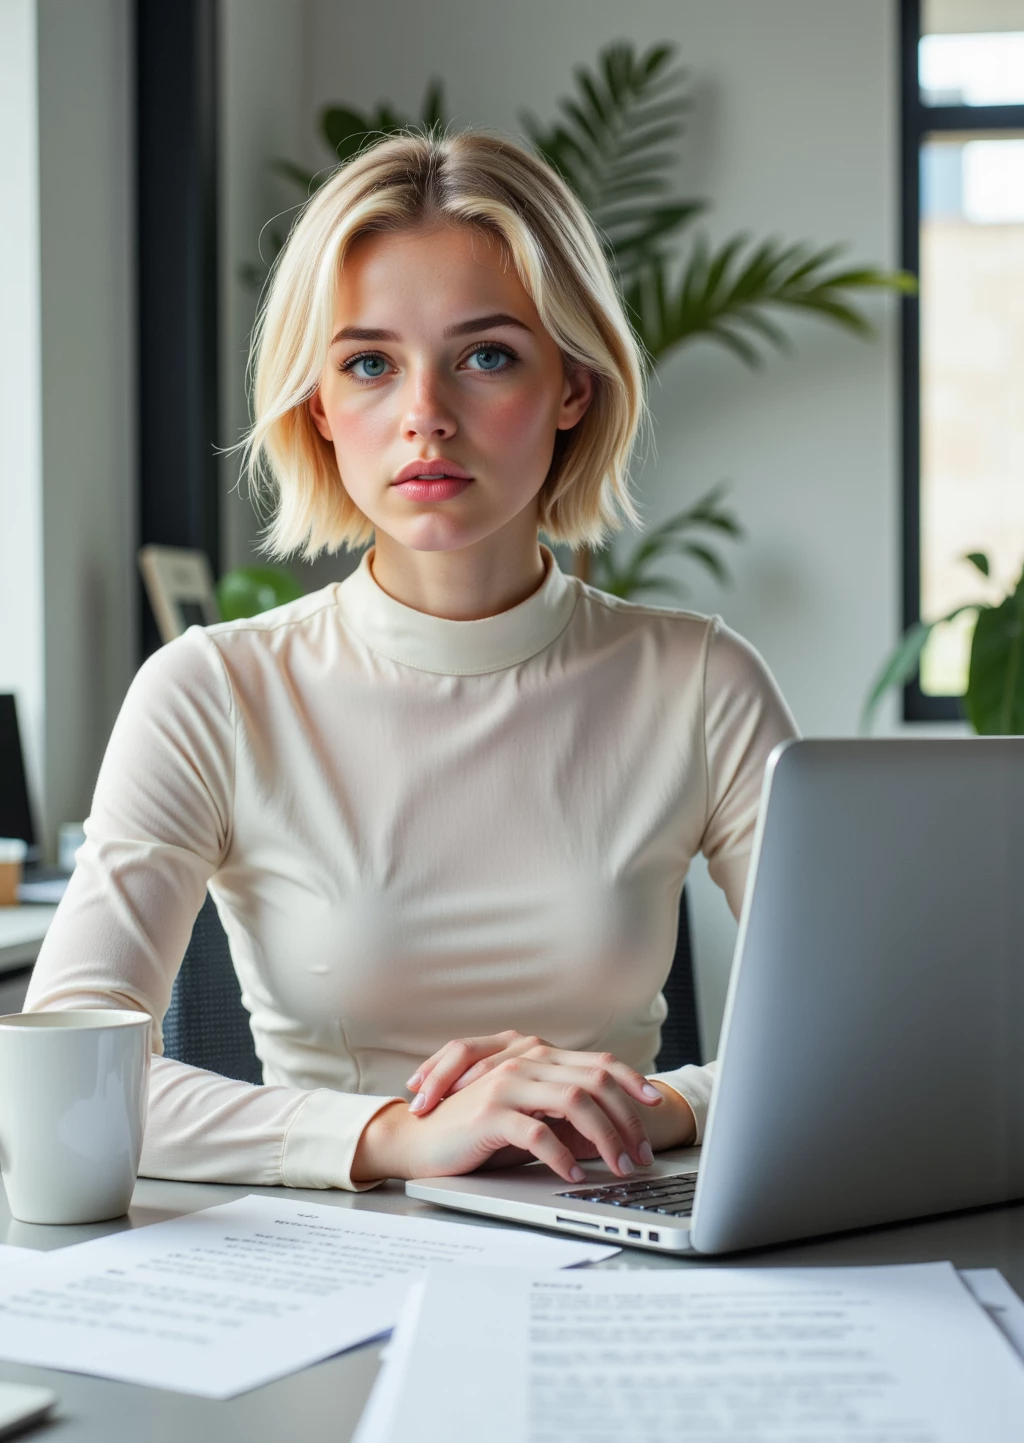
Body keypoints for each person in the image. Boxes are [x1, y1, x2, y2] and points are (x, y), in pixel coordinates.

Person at [25, 127, 797, 1194]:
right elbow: (58, 1092)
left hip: (619, 1238)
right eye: (370, 365)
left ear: (572, 386)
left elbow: (866, 1047)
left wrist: (654, 1107)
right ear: (319, 406)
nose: (424, 418)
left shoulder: (700, 682)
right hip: (323, 1264)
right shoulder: (213, 690)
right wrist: (397, 1134)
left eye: (486, 356)